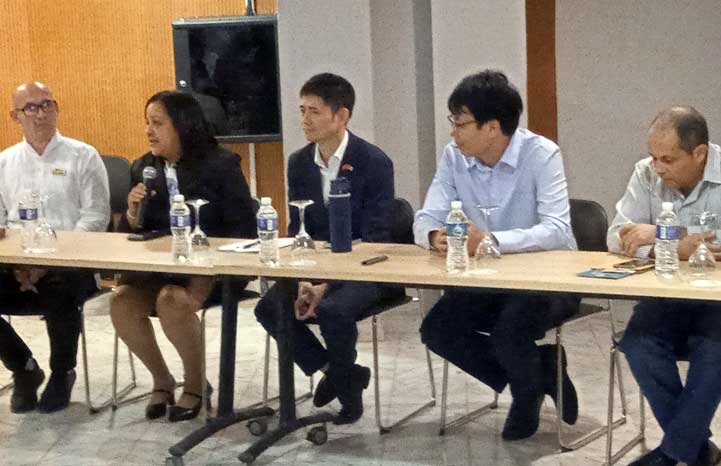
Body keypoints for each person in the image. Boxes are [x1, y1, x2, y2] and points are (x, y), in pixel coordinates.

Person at [414, 70, 580, 441]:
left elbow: (557, 230)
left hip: (548, 281)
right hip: (486, 280)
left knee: (509, 331)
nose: (453, 133)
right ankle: (539, 371)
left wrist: (491, 240)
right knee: (437, 329)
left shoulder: (542, 154)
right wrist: (435, 235)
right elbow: (426, 216)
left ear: (492, 128)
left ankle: (525, 395)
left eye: (460, 123)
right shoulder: (454, 157)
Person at [254, 73, 400, 425]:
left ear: (341, 116)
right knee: (270, 307)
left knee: (333, 309)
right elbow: (298, 228)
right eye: (302, 110)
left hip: (369, 268)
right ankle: (338, 372)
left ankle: (348, 397)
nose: (305, 120)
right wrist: (305, 279)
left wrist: (328, 283)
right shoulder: (299, 162)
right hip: (316, 267)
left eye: (314, 111)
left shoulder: (374, 161)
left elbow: (377, 236)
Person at [110, 91, 256, 422]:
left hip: (214, 269)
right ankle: (162, 380)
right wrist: (132, 213)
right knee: (121, 302)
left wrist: (205, 264)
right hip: (161, 269)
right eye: (147, 123)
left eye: (157, 123)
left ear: (182, 126)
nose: (149, 131)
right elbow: (128, 236)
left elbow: (243, 230)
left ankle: (195, 385)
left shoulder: (221, 165)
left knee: (172, 301)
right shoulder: (144, 167)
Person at [609, 106, 721, 466]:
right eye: (653, 157)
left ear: (699, 154)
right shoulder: (645, 173)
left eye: (668, 159)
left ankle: (672, 453)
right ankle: (696, 449)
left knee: (714, 351)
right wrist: (670, 245)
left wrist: (662, 234)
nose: (657, 167)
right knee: (637, 344)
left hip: (717, 299)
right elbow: (617, 235)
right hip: (666, 294)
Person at [0, 81, 110, 413]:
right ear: (15, 116)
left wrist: (50, 261)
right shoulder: (4, 162)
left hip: (71, 262)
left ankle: (62, 373)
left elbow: (96, 217)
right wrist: (19, 265)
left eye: (47, 104)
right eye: (31, 108)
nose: (41, 114)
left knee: (61, 286)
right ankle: (24, 368)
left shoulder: (83, 156)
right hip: (17, 265)